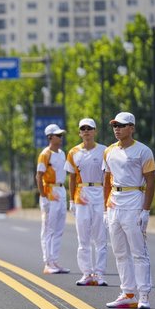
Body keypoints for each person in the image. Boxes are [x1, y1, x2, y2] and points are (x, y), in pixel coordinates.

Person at [103, 112, 155, 309]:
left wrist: (146, 210)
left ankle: (144, 295)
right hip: (114, 204)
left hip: (134, 202)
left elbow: (151, 181)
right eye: (115, 125)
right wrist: (105, 210)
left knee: (138, 252)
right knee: (119, 252)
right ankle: (128, 293)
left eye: (122, 125)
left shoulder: (143, 151)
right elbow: (107, 181)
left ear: (132, 128)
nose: (117, 128)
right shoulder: (109, 151)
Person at [65, 118, 108, 286]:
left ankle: (100, 274)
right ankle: (86, 273)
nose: (86, 131)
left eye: (89, 128)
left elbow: (108, 177)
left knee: (100, 237)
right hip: (81, 195)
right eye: (83, 129)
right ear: (79, 132)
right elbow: (72, 177)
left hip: (99, 192)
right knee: (83, 237)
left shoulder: (104, 150)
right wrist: (71, 200)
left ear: (95, 131)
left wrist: (107, 199)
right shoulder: (73, 152)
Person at [36, 124, 70, 274]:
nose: (60, 138)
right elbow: (39, 176)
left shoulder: (62, 153)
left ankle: (55, 261)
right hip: (49, 191)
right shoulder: (45, 154)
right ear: (50, 137)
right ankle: (48, 263)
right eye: (58, 135)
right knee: (49, 229)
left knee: (59, 228)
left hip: (61, 190)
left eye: (61, 135)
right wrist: (43, 196)